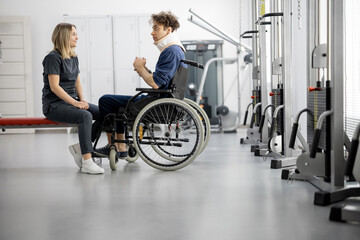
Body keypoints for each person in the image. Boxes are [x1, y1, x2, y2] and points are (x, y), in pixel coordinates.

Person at [95, 11, 186, 158]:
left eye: (156, 28)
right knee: (116, 105)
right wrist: (144, 70)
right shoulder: (177, 50)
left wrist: (140, 68)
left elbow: (155, 83)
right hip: (162, 100)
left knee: (105, 100)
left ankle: (116, 146)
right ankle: (120, 146)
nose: (152, 32)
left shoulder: (171, 51)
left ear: (168, 30)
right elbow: (162, 81)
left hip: (157, 103)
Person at [42, 23, 104, 174]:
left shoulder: (73, 57)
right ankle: (87, 161)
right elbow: (55, 87)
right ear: (64, 36)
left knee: (105, 113)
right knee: (85, 115)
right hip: (54, 104)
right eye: (74, 34)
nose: (77, 37)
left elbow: (77, 81)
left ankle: (81, 147)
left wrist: (82, 101)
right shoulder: (52, 58)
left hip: (71, 102)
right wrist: (75, 103)